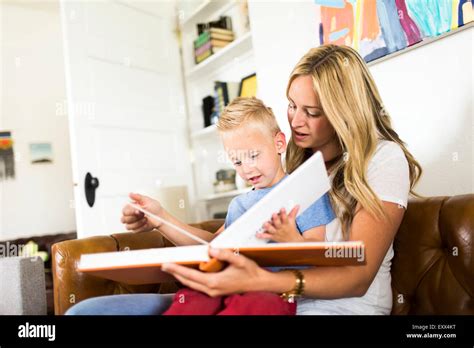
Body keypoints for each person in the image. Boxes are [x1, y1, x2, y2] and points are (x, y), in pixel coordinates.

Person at [68, 44, 422, 315]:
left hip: (330, 307)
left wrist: (260, 281)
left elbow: (357, 276)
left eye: (311, 112)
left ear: (343, 112)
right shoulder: (297, 165)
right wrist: (160, 217)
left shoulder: (382, 159)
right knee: (89, 312)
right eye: (291, 105)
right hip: (249, 290)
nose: (295, 120)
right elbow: (225, 242)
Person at [66, 97, 335, 315]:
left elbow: (318, 257)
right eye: (237, 161)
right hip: (227, 283)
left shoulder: (303, 191)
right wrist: (161, 218)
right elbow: (209, 246)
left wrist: (289, 238)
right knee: (194, 296)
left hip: (274, 292)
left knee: (259, 305)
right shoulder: (240, 204)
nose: (247, 168)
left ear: (278, 143)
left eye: (253, 155)